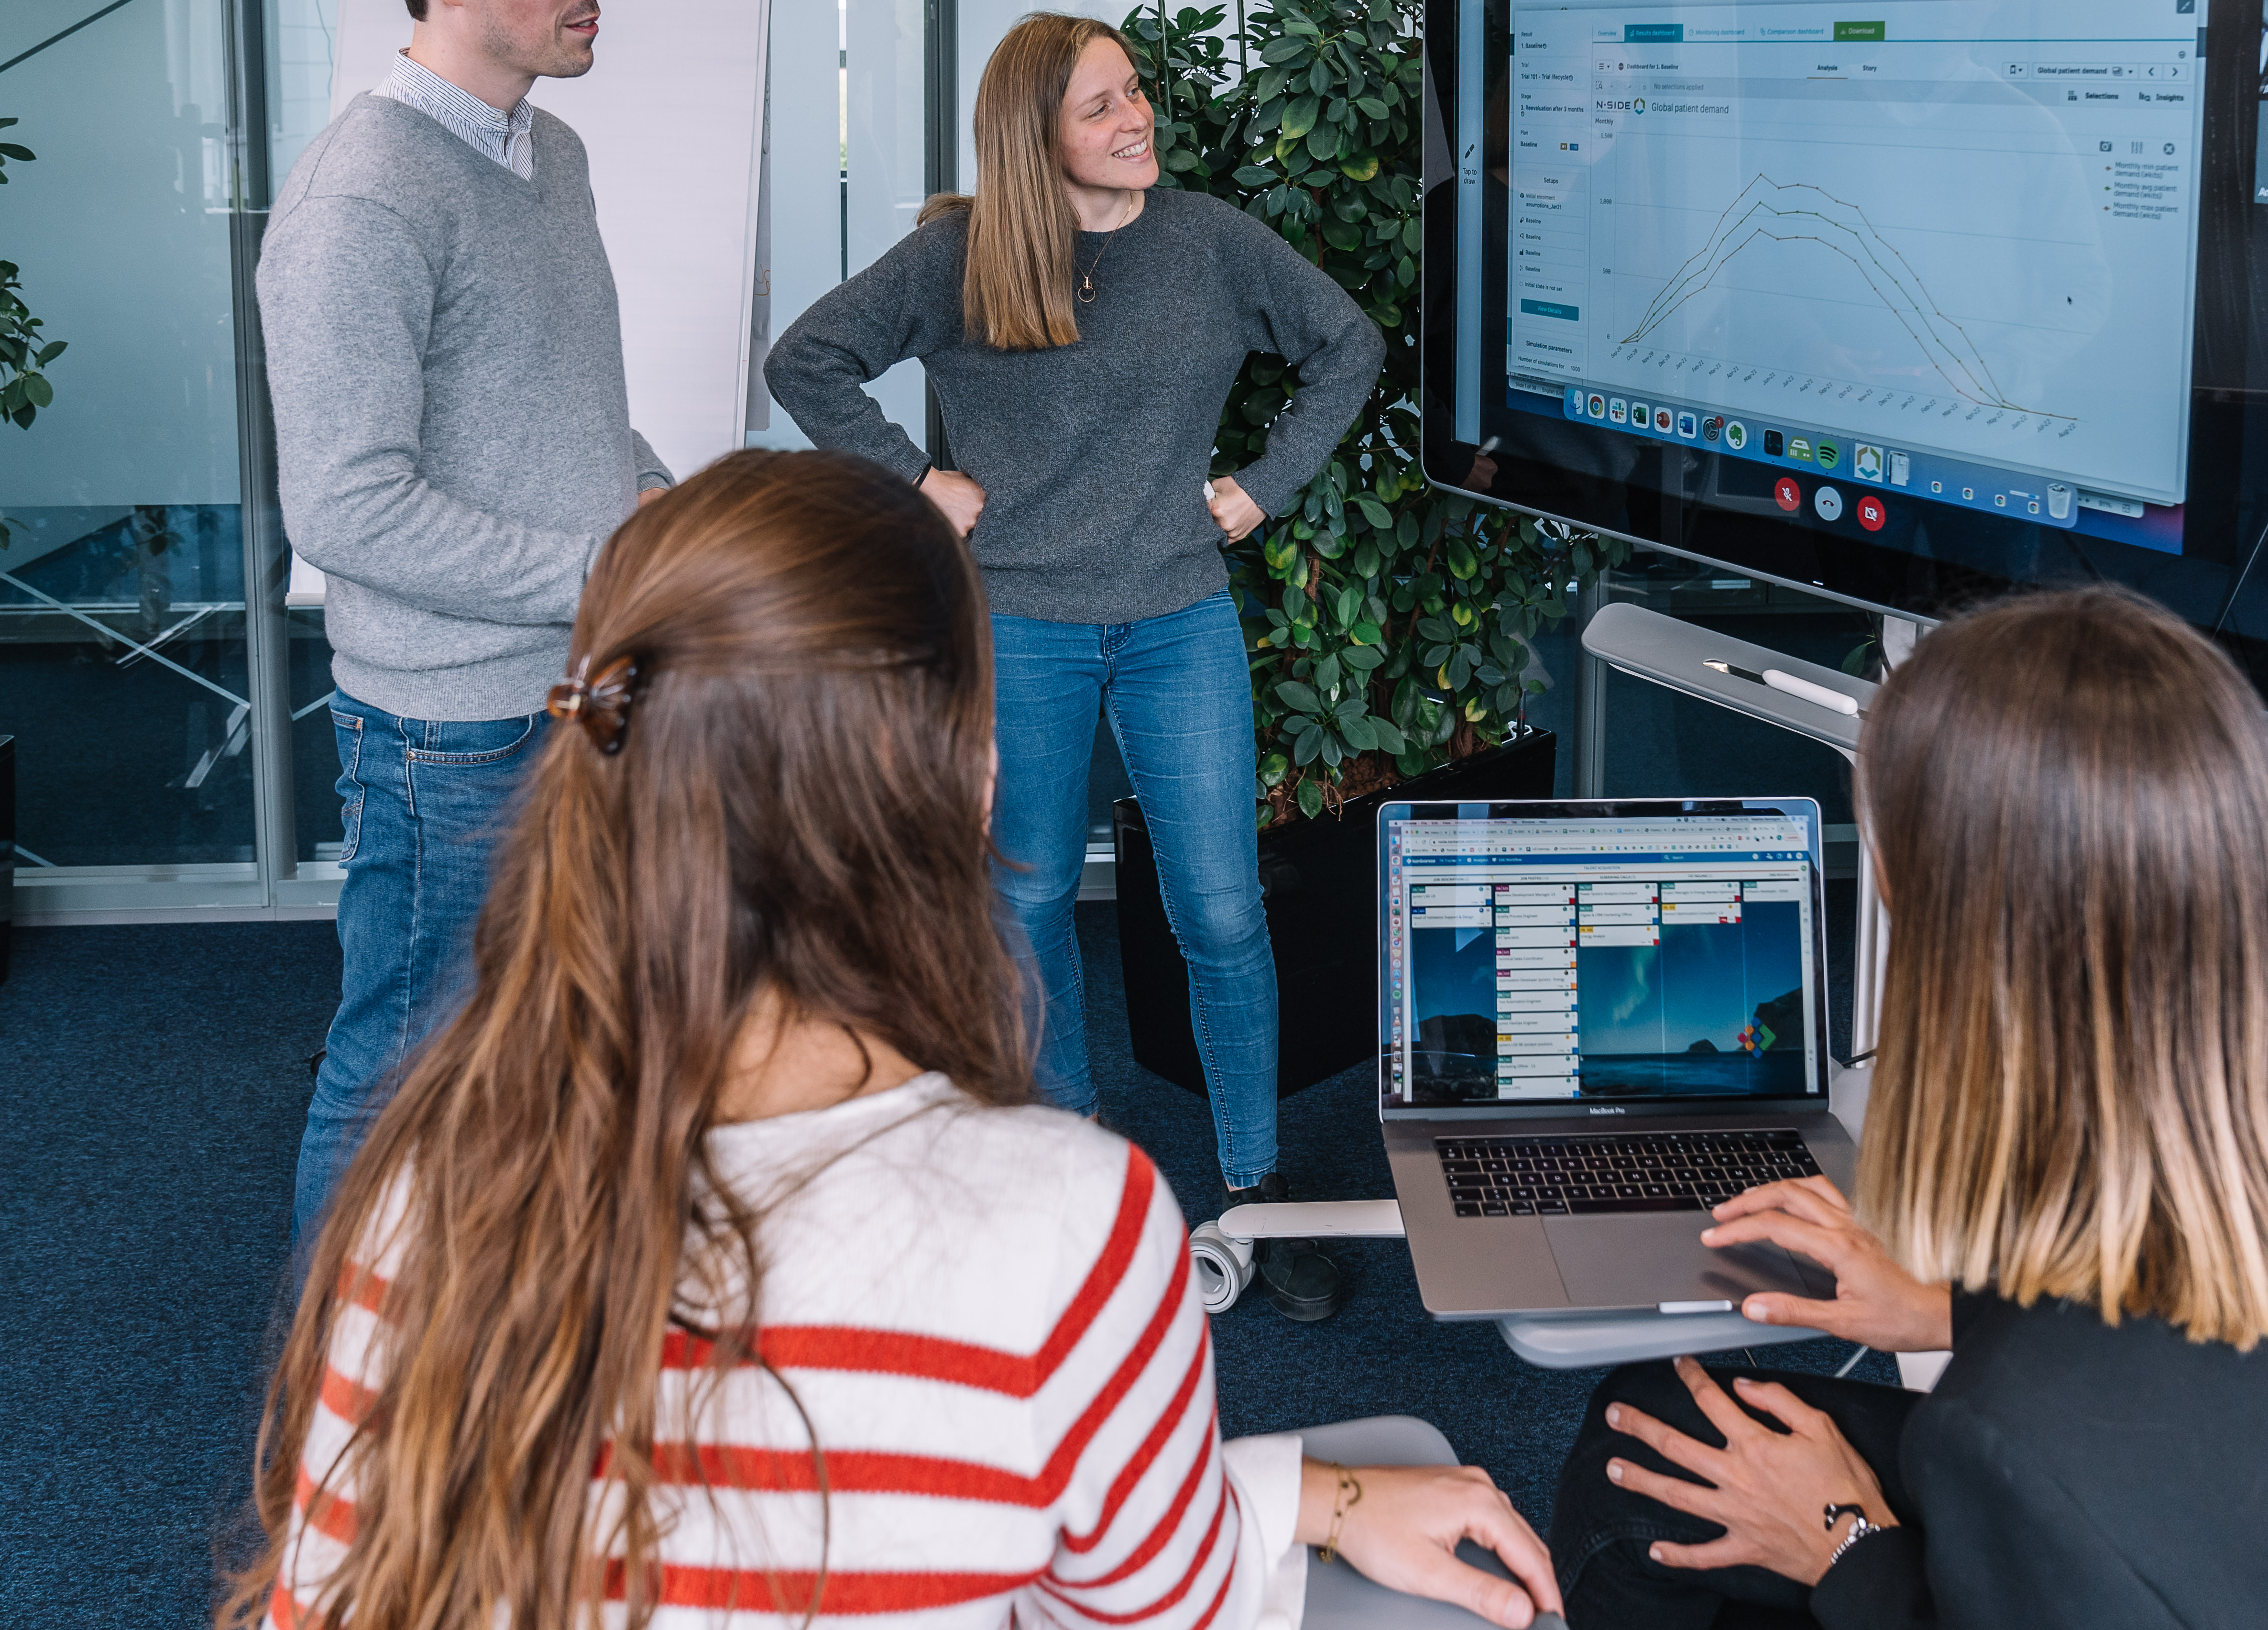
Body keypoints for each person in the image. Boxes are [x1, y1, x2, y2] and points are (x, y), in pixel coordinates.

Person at [225, 450, 1559, 1630]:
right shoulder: (1063, 1222)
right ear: (972, 782)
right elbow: (1158, 1597)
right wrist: (1324, 1494)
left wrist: (1297, 1491)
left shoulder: (437, 1178)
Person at [1546, 587, 2268, 1630]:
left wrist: (1843, 1539)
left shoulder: (2022, 1445)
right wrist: (1956, 1309)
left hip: (2114, 1548)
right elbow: (2250, 1333)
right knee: (1656, 1436)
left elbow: (2091, 1470)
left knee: (1641, 1485)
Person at [763, 12, 1383, 1321]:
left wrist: (1266, 484)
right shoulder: (962, 257)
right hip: (1021, 623)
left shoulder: (1208, 242)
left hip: (1175, 616)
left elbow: (1349, 344)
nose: (1136, 117)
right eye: (1101, 105)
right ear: (1033, 133)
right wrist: (914, 477)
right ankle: (1070, 1167)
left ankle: (1258, 1186)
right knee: (1030, 898)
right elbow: (805, 358)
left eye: (1134, 91)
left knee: (1222, 911)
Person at [257, 0, 673, 1243]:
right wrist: (604, 564)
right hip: (448, 733)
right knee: (401, 1069)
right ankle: (337, 1367)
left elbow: (570, 407)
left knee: (553, 1052)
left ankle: (500, 1332)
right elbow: (346, 504)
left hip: (582, 690)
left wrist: (670, 504)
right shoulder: (360, 196)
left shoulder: (550, 155)